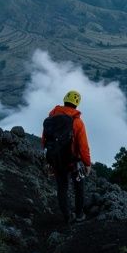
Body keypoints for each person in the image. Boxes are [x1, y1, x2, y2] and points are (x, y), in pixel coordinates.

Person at [42, 90, 91, 223]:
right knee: (79, 187)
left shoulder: (51, 119)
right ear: (77, 104)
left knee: (62, 188)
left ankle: (67, 217)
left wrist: (49, 160)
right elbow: (83, 147)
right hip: (73, 162)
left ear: (64, 101)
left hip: (57, 161)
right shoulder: (77, 122)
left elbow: (45, 140)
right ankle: (80, 215)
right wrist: (87, 164)